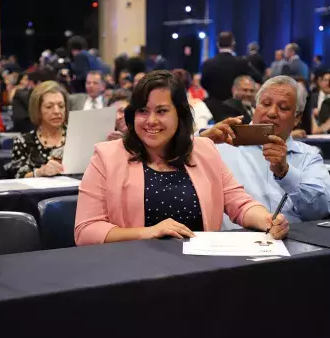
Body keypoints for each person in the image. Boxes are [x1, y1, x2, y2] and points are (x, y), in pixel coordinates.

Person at [75, 70, 289, 245]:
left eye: (161, 111)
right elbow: (86, 231)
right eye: (142, 111)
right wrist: (146, 232)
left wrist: (267, 219)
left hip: (199, 271)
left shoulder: (204, 150)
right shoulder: (106, 156)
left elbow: (239, 204)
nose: (151, 120)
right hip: (134, 270)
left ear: (180, 114)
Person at [200, 76, 330, 229]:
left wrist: (286, 173)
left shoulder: (309, 156)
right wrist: (202, 140)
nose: (272, 112)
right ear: (256, 106)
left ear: (297, 118)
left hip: (293, 244)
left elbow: (319, 211)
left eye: (283, 108)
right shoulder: (221, 144)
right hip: (233, 245)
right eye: (266, 104)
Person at [11, 81, 68, 178]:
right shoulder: (23, 142)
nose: (57, 111)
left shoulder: (76, 137)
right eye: (49, 107)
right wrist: (40, 172)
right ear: (37, 110)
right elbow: (18, 176)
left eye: (61, 106)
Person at [201, 32, 261, 120]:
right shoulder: (241, 62)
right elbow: (258, 78)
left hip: (212, 109)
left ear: (217, 44)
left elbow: (204, 83)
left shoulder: (208, 63)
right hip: (236, 110)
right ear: (233, 43)